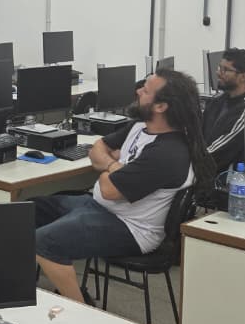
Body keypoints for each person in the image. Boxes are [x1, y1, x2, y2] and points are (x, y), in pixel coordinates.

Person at [33, 69, 213, 304]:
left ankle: (81, 309)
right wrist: (115, 166)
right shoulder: (140, 127)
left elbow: (110, 189)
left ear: (161, 106)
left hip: (131, 228)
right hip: (101, 208)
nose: (138, 91)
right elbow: (97, 148)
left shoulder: (168, 153)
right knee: (26, 211)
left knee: (43, 243)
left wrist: (108, 166)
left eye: (145, 90)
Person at [203, 47, 245, 175]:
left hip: (215, 178)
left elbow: (214, 153)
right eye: (219, 67)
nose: (218, 73)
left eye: (225, 70)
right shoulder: (219, 99)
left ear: (243, 77)